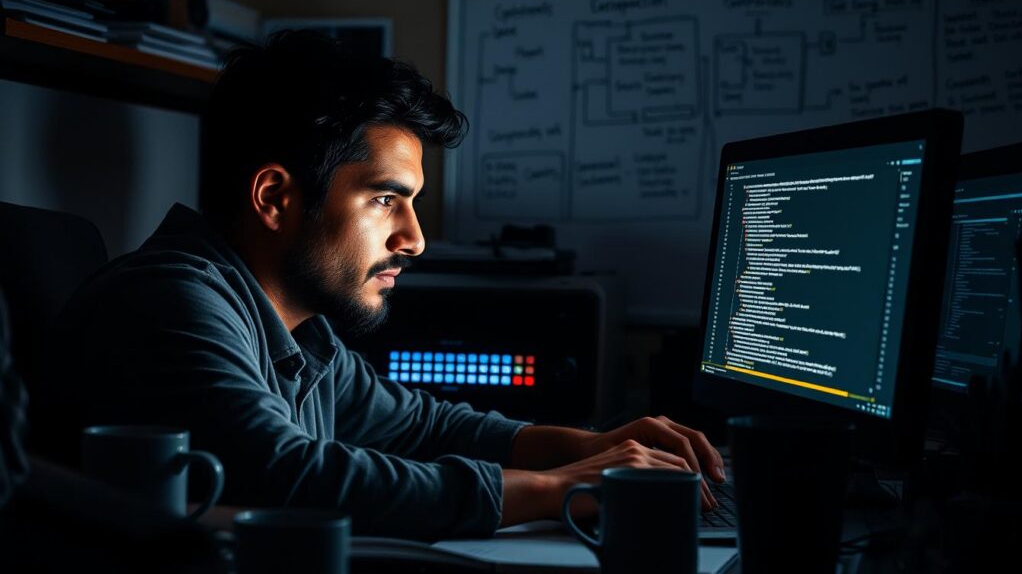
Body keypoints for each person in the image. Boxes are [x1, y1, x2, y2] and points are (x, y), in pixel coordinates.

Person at [36, 31, 724, 540]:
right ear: (275, 197)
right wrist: (556, 490)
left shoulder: (299, 332)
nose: (414, 238)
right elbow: (295, 477)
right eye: (384, 199)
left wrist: (588, 447)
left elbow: (423, 426)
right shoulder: (170, 302)